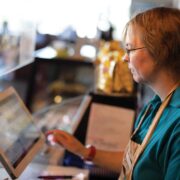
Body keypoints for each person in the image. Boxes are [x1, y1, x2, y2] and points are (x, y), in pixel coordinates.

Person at [46, 7, 180, 180]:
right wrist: (82, 150)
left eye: (130, 49)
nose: (125, 58)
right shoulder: (156, 105)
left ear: (161, 50)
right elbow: (136, 162)